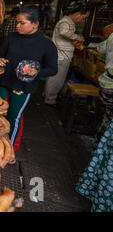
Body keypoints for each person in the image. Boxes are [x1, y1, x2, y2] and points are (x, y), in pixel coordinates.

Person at [0, 6, 58, 150]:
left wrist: (37, 71)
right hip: (2, 81)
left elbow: (53, 69)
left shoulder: (46, 45)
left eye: (22, 23)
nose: (17, 26)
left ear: (35, 24)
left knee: (13, 117)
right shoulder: (11, 37)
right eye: (17, 22)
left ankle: (8, 149)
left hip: (22, 87)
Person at [76, 24, 113, 212]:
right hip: (109, 86)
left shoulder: (111, 38)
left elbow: (98, 49)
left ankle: (99, 145)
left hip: (107, 85)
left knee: (107, 126)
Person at [43, 4, 91, 105]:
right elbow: (64, 32)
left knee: (55, 77)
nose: (82, 20)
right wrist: (78, 37)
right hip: (61, 56)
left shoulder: (68, 22)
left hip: (62, 55)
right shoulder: (66, 22)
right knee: (56, 79)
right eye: (83, 18)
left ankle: (48, 95)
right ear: (78, 14)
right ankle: (50, 100)